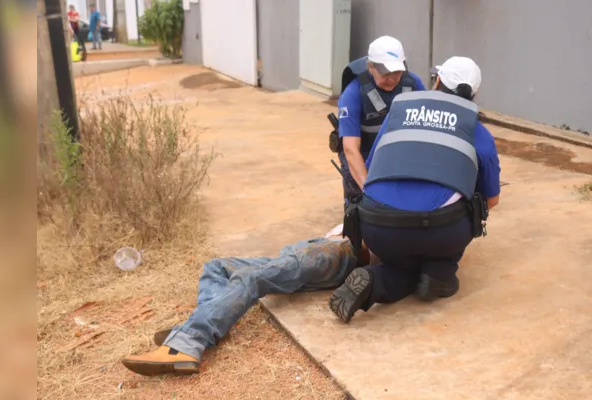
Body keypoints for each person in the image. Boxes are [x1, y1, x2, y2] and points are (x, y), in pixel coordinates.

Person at [328, 57, 502, 323]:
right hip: (440, 233)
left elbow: (373, 169)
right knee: (469, 205)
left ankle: (376, 281)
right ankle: (439, 272)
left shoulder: (398, 114)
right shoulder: (477, 132)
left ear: (437, 82)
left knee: (401, 263)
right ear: (474, 93)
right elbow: (492, 200)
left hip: (377, 227)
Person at [121, 226, 372, 376]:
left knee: (250, 278)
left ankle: (188, 344)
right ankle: (218, 321)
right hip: (307, 252)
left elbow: (373, 248)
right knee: (216, 266)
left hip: (329, 254)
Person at [335, 36, 426, 205]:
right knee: (361, 204)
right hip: (364, 152)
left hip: (398, 150)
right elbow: (350, 149)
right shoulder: (353, 93)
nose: (392, 79)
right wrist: (369, 192)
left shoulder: (413, 84)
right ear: (371, 67)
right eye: (386, 73)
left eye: (397, 73)